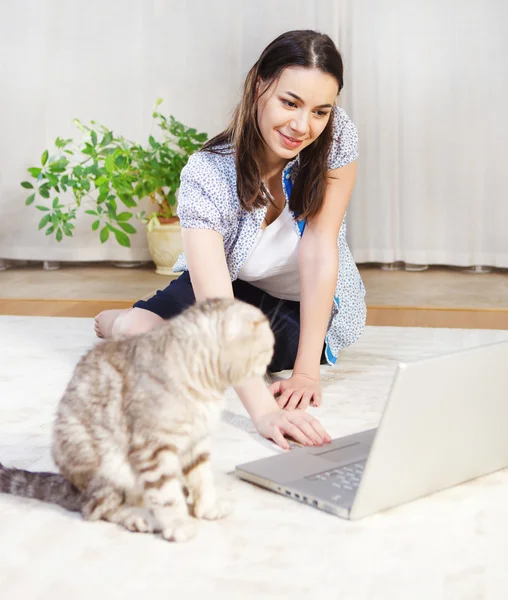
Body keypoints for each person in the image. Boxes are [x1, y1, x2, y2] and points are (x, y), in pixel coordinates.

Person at [95, 29, 366, 450]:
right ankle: (116, 318)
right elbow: (218, 306)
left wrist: (306, 371)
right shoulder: (207, 174)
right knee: (133, 330)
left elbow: (319, 247)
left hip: (295, 305)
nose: (302, 126)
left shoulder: (336, 136)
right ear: (261, 84)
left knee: (259, 353)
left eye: (320, 111)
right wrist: (264, 412)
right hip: (231, 287)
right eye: (289, 103)